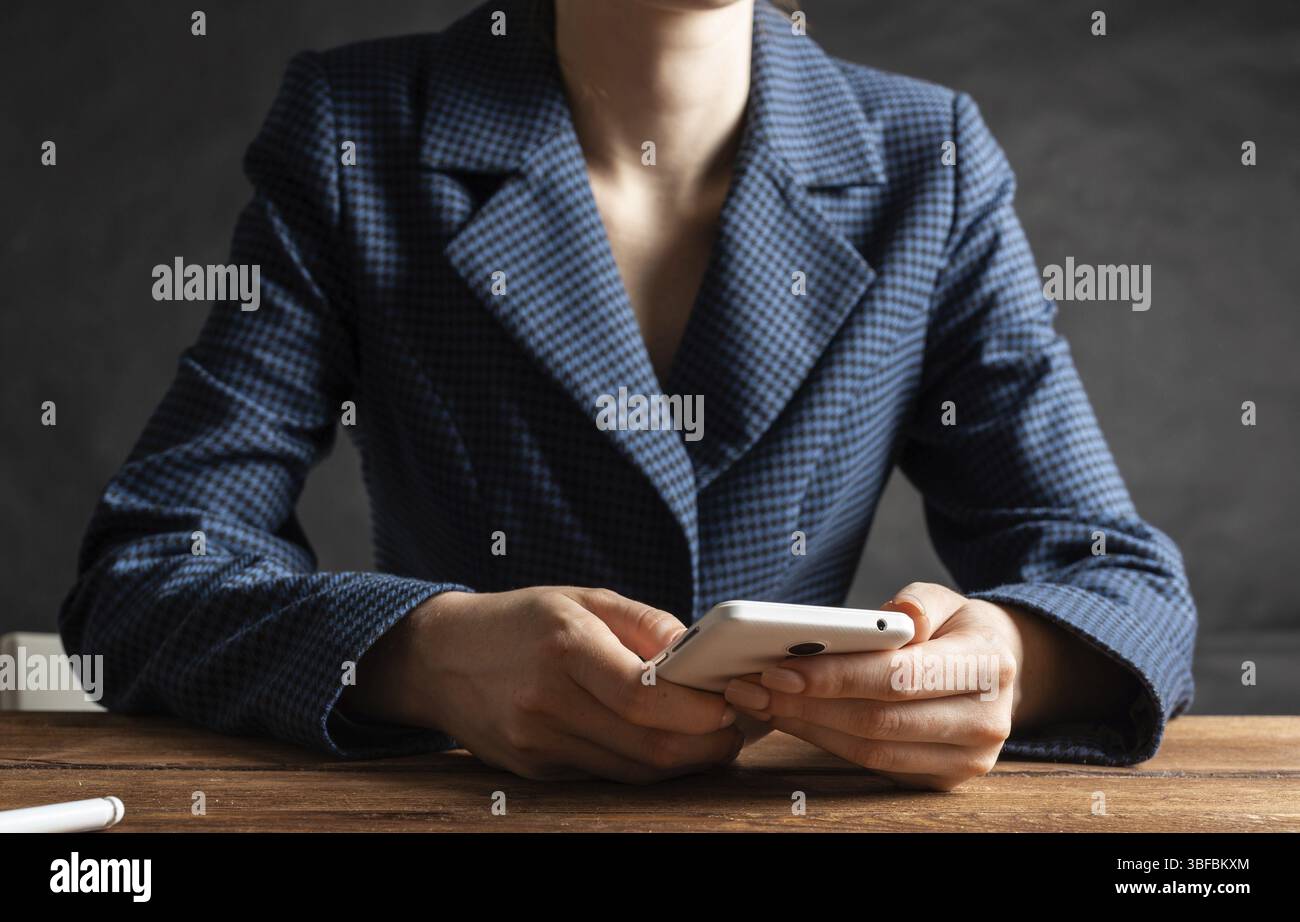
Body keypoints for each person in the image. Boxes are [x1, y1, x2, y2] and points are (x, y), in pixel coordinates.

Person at [60, 0, 1196, 789]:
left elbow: (1122, 584)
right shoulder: (357, 129)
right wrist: (425, 655)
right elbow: (148, 574)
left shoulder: (925, 160)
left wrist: (998, 661)